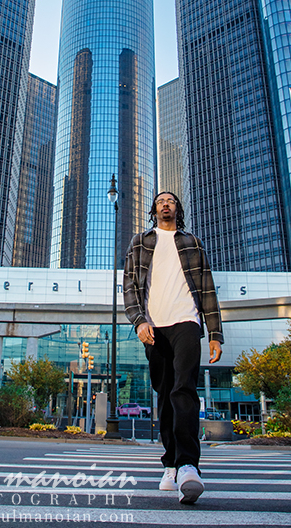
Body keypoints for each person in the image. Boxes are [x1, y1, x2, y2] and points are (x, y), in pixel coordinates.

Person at [123, 191, 223, 504]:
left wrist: (215, 332)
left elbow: (206, 287)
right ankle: (170, 464)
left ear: (178, 209)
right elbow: (129, 285)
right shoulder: (141, 241)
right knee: (165, 395)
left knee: (184, 389)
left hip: (187, 321)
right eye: (161, 201)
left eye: (171, 201)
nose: (166, 204)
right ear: (154, 209)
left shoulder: (192, 242)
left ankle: (189, 465)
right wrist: (139, 321)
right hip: (154, 327)